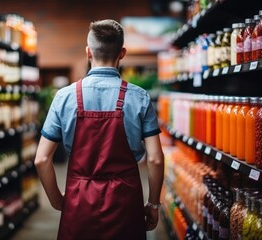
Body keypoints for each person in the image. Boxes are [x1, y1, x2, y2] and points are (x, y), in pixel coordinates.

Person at [34, 19, 165, 240]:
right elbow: (155, 159)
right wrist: (153, 203)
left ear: (88, 52)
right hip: (126, 202)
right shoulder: (139, 97)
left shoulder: (64, 97)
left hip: (78, 203)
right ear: (122, 53)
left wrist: (57, 200)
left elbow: (41, 159)